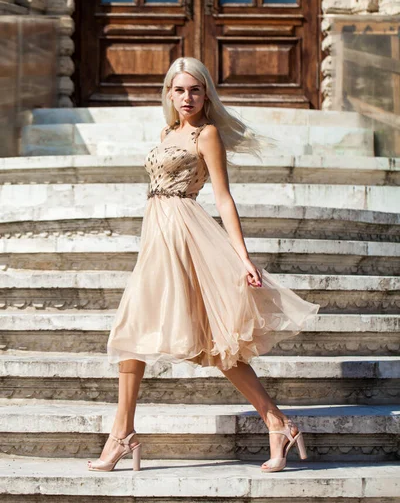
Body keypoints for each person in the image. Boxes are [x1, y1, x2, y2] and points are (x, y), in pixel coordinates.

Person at [87, 57, 320, 474]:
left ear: (206, 93)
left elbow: (224, 197)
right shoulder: (166, 132)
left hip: (186, 237)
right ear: (168, 94)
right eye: (179, 90)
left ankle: (277, 421)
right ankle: (123, 433)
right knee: (131, 333)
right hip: (157, 239)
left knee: (215, 340)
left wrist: (243, 256)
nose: (187, 97)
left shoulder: (207, 134)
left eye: (195, 89)